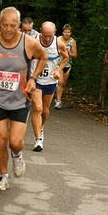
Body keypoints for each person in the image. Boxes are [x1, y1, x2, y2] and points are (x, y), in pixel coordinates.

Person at [0, 7, 47, 191]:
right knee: (0, 139)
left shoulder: (29, 43)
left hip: (20, 99)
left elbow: (43, 57)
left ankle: (17, 155)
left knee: (14, 142)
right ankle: (3, 176)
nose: (8, 29)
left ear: (18, 25)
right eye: (5, 25)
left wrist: (33, 78)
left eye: (12, 25)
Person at [31, 22, 69, 151]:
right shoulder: (33, 41)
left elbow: (66, 57)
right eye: (45, 35)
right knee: (38, 107)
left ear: (55, 32)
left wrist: (58, 71)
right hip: (35, 79)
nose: (47, 39)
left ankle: (40, 128)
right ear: (40, 31)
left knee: (45, 110)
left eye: (50, 36)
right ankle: (38, 139)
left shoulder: (58, 43)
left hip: (50, 81)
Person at [54, 24, 78, 109]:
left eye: (68, 32)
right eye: (65, 32)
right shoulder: (57, 39)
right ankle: (58, 101)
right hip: (58, 63)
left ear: (71, 33)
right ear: (62, 32)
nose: (67, 34)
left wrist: (67, 53)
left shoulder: (72, 41)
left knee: (63, 84)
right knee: (60, 82)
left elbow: (75, 55)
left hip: (68, 64)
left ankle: (58, 98)